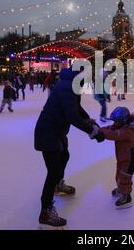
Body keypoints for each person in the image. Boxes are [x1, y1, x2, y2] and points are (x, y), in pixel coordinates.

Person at [34, 68, 105, 228]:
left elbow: (76, 108)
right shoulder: (67, 87)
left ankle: (58, 185)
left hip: (57, 131)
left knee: (64, 156)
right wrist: (92, 131)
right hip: (48, 132)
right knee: (54, 171)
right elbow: (72, 116)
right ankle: (45, 211)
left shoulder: (71, 85)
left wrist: (88, 120)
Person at [99, 107, 134, 209]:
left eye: (116, 121)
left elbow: (113, 134)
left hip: (130, 158)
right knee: (119, 175)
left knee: (125, 177)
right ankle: (121, 189)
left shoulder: (127, 131)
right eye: (114, 121)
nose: (114, 123)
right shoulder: (120, 126)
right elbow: (110, 129)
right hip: (122, 157)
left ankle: (126, 197)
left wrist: (100, 132)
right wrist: (98, 129)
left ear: (124, 121)